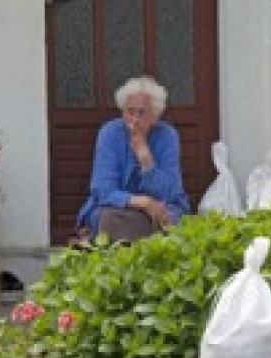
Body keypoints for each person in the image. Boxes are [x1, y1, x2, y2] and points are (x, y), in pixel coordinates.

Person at [76, 76, 190, 242]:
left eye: (142, 113)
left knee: (168, 218)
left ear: (155, 116)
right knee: (109, 219)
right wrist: (141, 202)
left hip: (161, 209)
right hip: (116, 209)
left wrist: (145, 158)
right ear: (122, 111)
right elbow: (103, 189)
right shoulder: (109, 133)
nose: (135, 120)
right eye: (130, 111)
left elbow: (171, 192)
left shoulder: (168, 135)